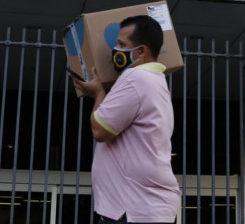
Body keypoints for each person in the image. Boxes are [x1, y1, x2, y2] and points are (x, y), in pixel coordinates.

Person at [71, 15, 180, 224]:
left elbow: (100, 131)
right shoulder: (157, 82)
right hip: (148, 208)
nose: (116, 50)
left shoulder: (135, 78)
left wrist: (98, 94)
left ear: (140, 51)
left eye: (122, 45)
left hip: (132, 209)